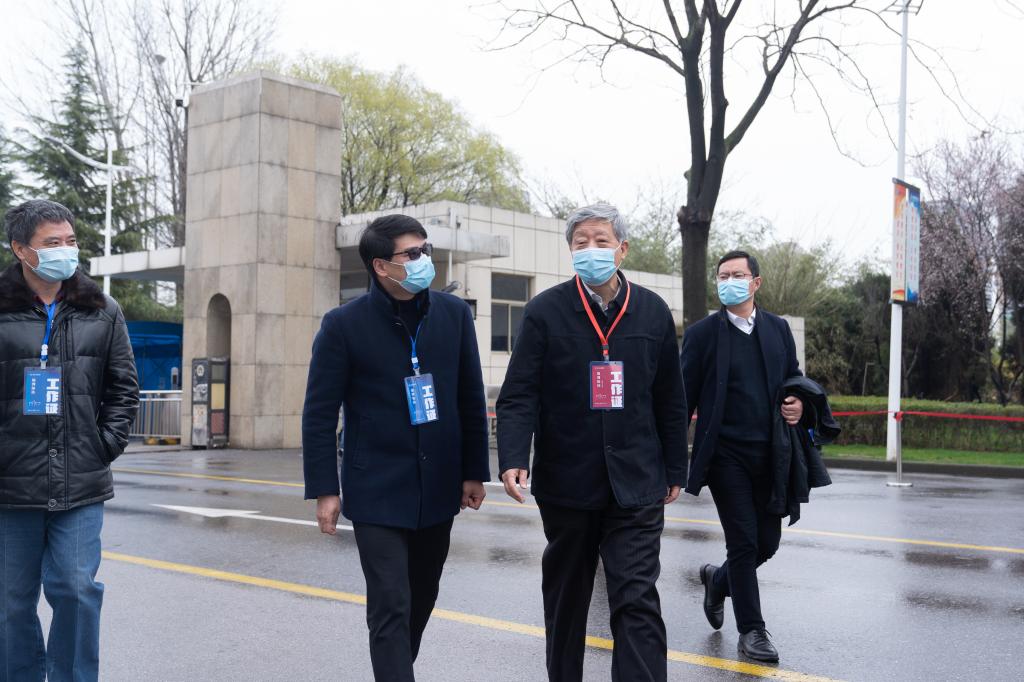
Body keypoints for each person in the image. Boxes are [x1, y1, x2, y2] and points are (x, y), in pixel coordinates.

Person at [496, 203, 688, 682]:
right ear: (570, 251)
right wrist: (514, 457)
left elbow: (669, 397)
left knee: (637, 598)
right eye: (580, 242)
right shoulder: (544, 311)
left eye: (601, 240)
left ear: (622, 249)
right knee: (567, 599)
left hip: (637, 483)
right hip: (568, 482)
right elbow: (520, 393)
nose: (591, 250)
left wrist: (675, 467)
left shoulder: (653, 311)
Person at [301, 213, 490, 682]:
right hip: (376, 489)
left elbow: (470, 396)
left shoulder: (454, 315)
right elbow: (320, 412)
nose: (424, 259)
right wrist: (325, 489)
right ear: (381, 266)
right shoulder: (343, 325)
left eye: (426, 249)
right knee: (390, 603)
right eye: (413, 253)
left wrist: (474, 471)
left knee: (421, 597)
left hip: (439, 485)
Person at [0, 199, 139, 681]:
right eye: (52, 242)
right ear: (21, 249)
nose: (66, 250)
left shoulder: (101, 310)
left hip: (79, 479)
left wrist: (104, 445)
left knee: (77, 591)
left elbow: (123, 388)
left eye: (71, 240)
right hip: (9, 485)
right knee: (10, 603)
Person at [680, 250, 804, 663]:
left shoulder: (778, 329)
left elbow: (794, 380)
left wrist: (798, 404)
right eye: (722, 275)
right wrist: (670, 461)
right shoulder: (702, 335)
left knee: (767, 543)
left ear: (756, 283)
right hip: (725, 456)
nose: (728, 281)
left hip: (770, 455)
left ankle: (717, 581)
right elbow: (682, 400)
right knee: (744, 542)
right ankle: (752, 630)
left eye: (737, 274)